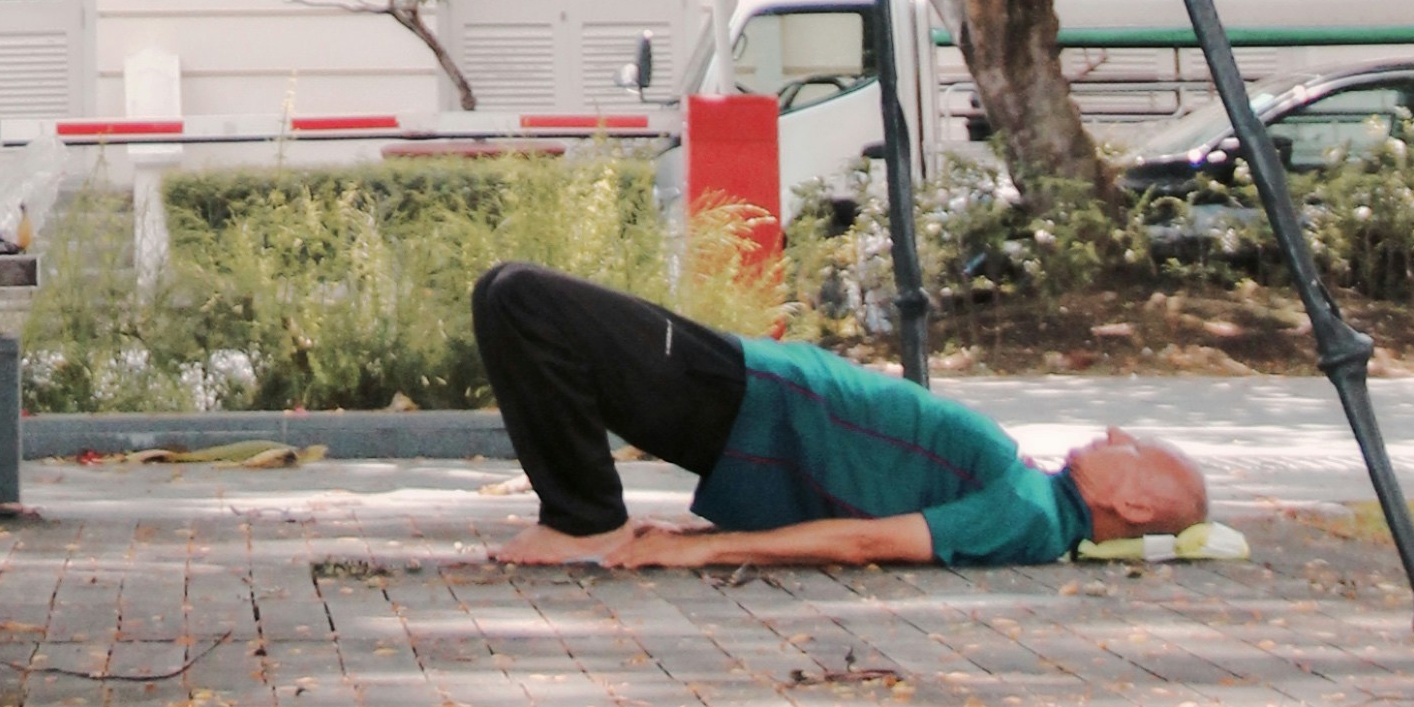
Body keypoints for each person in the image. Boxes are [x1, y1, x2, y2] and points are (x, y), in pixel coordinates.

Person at [471, 260, 1207, 569]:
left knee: (520, 297)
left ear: (1134, 501)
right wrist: (709, 536)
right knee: (513, 298)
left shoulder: (1029, 515)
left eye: (1132, 449)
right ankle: (579, 516)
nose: (1114, 434)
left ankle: (583, 522)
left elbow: (869, 542)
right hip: (754, 391)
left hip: (749, 400)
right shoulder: (1028, 496)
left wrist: (700, 551)